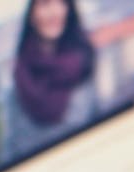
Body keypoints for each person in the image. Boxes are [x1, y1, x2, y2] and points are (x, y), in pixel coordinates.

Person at [5, 0, 97, 159]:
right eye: (45, 4)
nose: (55, 11)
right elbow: (14, 147)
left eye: (61, 2)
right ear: (31, 14)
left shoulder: (83, 60)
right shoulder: (19, 78)